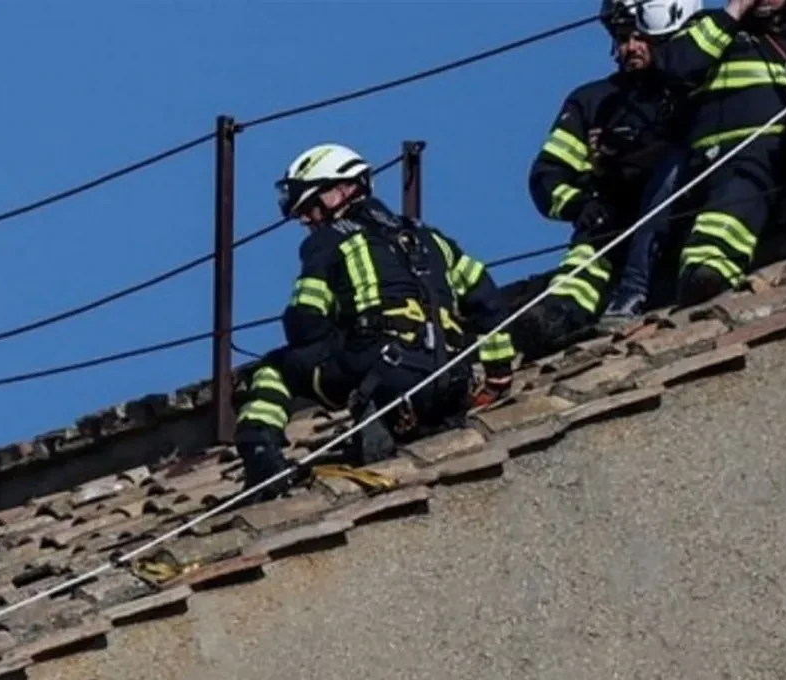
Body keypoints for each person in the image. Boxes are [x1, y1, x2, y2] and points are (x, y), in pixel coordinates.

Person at [234, 143, 517, 500]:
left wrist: (340, 337)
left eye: (310, 206)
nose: (306, 220)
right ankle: (403, 422)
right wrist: (497, 376)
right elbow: (486, 299)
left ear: (344, 190)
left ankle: (263, 464)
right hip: (453, 381)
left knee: (272, 370)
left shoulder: (329, 241)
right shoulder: (430, 238)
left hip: (382, 369)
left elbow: (304, 324)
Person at [514, 0, 700, 359]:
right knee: (583, 264)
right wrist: (582, 205)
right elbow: (547, 176)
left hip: (677, 217)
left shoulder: (691, 89)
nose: (630, 47)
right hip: (608, 225)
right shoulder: (593, 101)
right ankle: (558, 317)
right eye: (621, 37)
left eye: (639, 36)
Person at [650, 0, 786, 305]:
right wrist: (733, 12)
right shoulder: (713, 27)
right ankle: (707, 266)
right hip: (732, 159)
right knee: (747, 175)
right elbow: (674, 66)